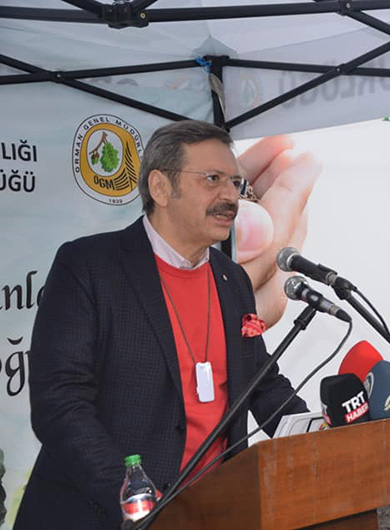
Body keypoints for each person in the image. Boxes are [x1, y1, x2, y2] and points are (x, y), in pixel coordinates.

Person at [14, 121, 315, 530]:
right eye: (212, 179)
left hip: (215, 510)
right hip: (107, 516)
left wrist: (319, 436)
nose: (230, 196)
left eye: (235, 182)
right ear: (160, 187)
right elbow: (59, 404)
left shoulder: (232, 279)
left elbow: (261, 383)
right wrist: (134, 498)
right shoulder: (89, 267)